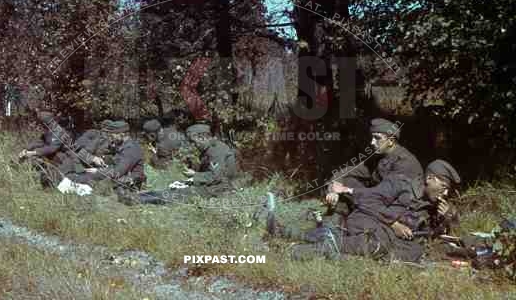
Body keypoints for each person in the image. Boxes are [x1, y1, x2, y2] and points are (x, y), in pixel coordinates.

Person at [266, 159, 461, 262]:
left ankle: (284, 232)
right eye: (443, 185)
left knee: (405, 250)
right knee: (378, 243)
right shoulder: (401, 184)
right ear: (430, 179)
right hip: (367, 219)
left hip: (384, 231)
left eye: (447, 189)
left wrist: (448, 219)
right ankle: (297, 251)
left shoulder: (432, 204)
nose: (445, 192)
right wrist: (394, 224)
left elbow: (434, 234)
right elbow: (369, 200)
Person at [324, 118, 424, 225]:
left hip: (402, 210)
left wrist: (347, 190)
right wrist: (333, 189)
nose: (372, 142)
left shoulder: (405, 163)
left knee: (356, 221)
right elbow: (349, 171)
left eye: (377, 138)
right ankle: (338, 216)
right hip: (381, 201)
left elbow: (383, 195)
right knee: (347, 180)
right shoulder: (380, 156)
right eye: (372, 138)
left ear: (390, 141)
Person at [118, 123, 239, 205]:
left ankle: (138, 200)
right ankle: (137, 196)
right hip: (212, 185)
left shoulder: (216, 150)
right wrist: (193, 169)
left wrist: (194, 176)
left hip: (220, 189)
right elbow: (209, 172)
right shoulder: (210, 149)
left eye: (194, 141)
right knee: (174, 189)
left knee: (179, 194)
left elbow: (215, 176)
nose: (193, 145)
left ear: (202, 137)